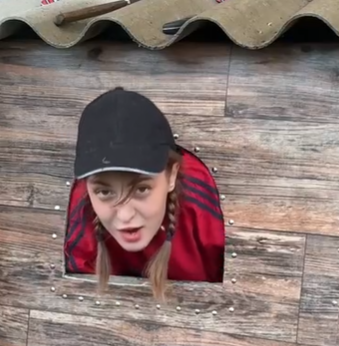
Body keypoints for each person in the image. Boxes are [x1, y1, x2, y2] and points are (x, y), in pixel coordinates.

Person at [63, 88, 225, 301]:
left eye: (141, 189)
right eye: (105, 192)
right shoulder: (81, 207)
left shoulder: (203, 207)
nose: (125, 215)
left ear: (171, 175)